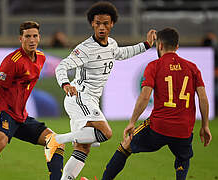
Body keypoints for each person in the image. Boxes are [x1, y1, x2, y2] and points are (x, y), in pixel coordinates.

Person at [44, 2, 156, 180]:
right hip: (79, 97)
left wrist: (146, 45)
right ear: (92, 24)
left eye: (106, 23)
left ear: (112, 24)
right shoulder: (85, 49)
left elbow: (121, 53)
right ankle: (56, 139)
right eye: (98, 23)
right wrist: (66, 84)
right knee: (106, 132)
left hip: (90, 100)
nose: (102, 27)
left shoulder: (111, 44)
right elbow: (62, 66)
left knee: (83, 147)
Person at [101, 28, 212, 180]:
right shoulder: (192, 67)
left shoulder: (155, 66)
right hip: (184, 128)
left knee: (126, 145)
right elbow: (203, 98)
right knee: (183, 157)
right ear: (177, 47)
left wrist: (132, 122)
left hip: (159, 127)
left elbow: (145, 96)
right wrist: (205, 125)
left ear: (159, 46)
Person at [0, 21, 64, 180]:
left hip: (21, 116)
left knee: (56, 142)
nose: (32, 40)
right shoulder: (12, 61)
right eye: (27, 36)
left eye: (35, 36)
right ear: (20, 39)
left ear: (39, 38)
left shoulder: (41, 58)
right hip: (4, 112)